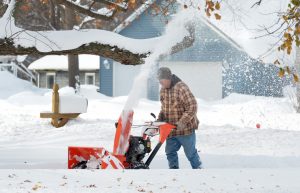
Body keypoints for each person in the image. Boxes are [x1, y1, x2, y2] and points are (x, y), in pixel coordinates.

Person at [157, 67, 202, 169]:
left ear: (168, 78)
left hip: (185, 130)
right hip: (171, 130)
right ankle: (174, 172)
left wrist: (182, 122)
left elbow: (192, 106)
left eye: (161, 80)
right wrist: (160, 119)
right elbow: (164, 108)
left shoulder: (181, 88)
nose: (160, 83)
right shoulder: (163, 90)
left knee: (190, 154)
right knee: (170, 152)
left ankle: (199, 170)